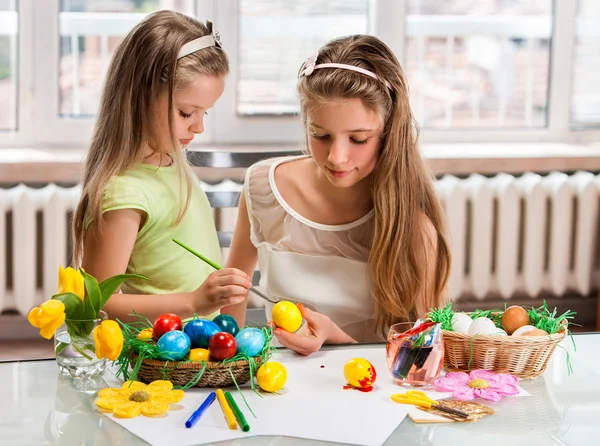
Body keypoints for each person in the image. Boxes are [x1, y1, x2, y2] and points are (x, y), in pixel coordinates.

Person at [222, 35, 451, 355]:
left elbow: (420, 355)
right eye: (320, 135)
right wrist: (227, 359)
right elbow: (232, 296)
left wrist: (334, 337)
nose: (336, 157)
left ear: (387, 133)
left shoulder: (412, 226)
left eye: (358, 139)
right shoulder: (263, 187)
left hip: (368, 386)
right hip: (279, 379)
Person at [71, 11, 252, 323]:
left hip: (197, 361)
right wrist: (194, 301)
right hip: (161, 362)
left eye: (204, 113)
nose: (198, 128)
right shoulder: (124, 191)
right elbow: (95, 304)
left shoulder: (173, 166)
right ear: (139, 97)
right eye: (186, 113)